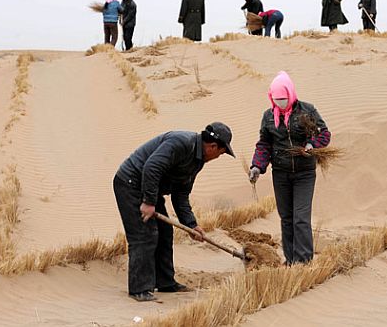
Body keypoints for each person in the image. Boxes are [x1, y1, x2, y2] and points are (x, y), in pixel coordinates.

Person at [114, 122, 235, 301]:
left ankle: (165, 282)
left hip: (149, 188)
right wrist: (148, 202)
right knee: (144, 235)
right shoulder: (181, 143)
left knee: (164, 232)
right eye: (221, 152)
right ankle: (140, 289)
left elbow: (181, 196)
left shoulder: (197, 161)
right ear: (213, 146)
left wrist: (192, 225)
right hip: (130, 183)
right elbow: (151, 167)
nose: (219, 156)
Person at [249, 72, 331, 265]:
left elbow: (324, 134)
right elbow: (264, 144)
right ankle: (291, 260)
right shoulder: (268, 116)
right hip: (281, 174)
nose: (281, 103)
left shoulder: (307, 111)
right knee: (286, 218)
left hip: (304, 173)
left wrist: (312, 145)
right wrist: (257, 166)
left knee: (300, 219)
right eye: (277, 100)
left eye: (284, 99)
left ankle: (304, 262)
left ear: (291, 94)